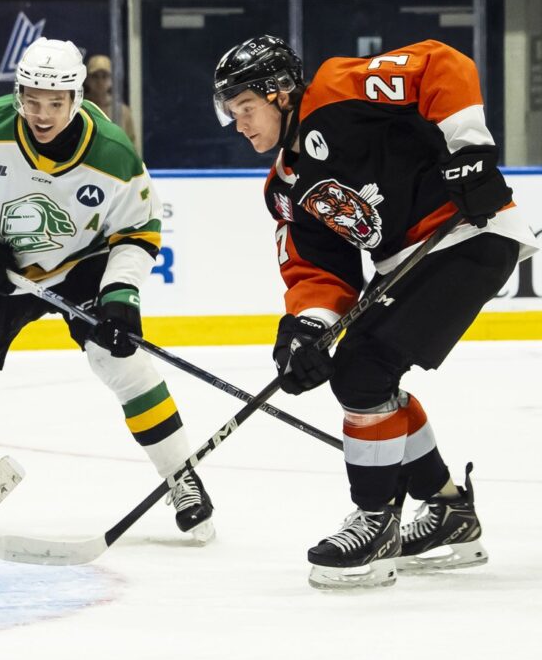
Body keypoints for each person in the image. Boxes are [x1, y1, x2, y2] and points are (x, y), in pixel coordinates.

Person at [212, 36, 539, 588]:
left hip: (467, 233)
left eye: (246, 107)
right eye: (232, 113)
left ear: (282, 93)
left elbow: (439, 63)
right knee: (360, 375)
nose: (239, 124)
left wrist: (470, 152)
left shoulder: (339, 90)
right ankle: (447, 510)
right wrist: (304, 330)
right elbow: (320, 269)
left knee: (366, 370)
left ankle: (375, 520)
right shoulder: (288, 188)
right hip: (404, 264)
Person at [0, 37, 215, 541]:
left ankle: (180, 476)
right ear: (18, 94)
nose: (42, 113)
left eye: (55, 102)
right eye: (31, 98)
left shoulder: (113, 153)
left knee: (122, 364)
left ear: (76, 98)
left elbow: (138, 233)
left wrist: (121, 295)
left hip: (82, 266)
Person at [83, 54, 136, 147]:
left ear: (111, 80)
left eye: (104, 76)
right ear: (87, 79)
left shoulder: (122, 111)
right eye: (95, 76)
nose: (100, 81)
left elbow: (132, 146)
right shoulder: (79, 109)